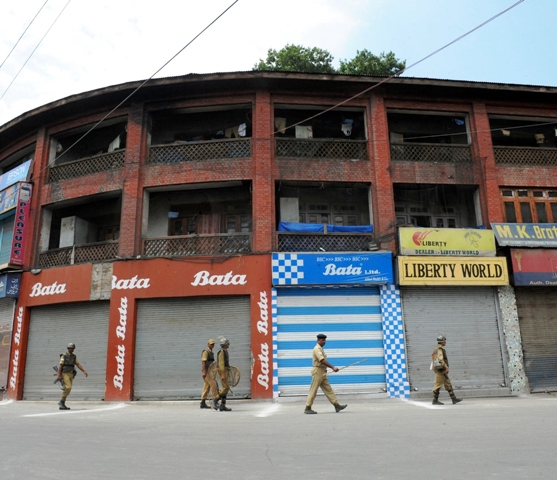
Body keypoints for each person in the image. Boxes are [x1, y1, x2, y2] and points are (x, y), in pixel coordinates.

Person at [304, 334, 347, 414]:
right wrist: (333, 367)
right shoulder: (317, 349)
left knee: (328, 389)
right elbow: (322, 360)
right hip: (318, 372)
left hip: (322, 372)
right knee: (313, 390)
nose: (324, 342)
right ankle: (308, 407)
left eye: (325, 340)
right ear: (319, 340)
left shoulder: (320, 349)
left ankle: (336, 405)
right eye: (323, 340)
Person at [432, 334, 462, 405]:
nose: (445, 342)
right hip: (441, 370)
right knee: (438, 384)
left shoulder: (436, 348)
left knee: (448, 383)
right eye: (444, 341)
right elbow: (441, 359)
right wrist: (446, 367)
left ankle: (454, 399)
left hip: (441, 369)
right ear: (441, 342)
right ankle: (434, 400)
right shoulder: (439, 349)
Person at [56, 342, 88, 410]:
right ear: (68, 348)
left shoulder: (74, 356)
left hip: (71, 374)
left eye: (72, 348)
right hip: (65, 373)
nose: (71, 349)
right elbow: (61, 365)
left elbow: (78, 364)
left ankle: (62, 403)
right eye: (70, 348)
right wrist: (59, 375)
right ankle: (61, 401)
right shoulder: (63, 356)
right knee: (68, 387)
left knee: (69, 389)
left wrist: (84, 371)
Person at [212, 337, 232, 412]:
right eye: (227, 344)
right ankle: (215, 399)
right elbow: (221, 364)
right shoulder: (221, 352)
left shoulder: (225, 351)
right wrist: (222, 374)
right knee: (225, 387)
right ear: (225, 344)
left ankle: (223, 405)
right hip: (223, 371)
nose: (228, 345)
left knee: (226, 388)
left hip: (226, 371)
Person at [200, 339, 218, 409]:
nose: (212, 345)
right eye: (211, 344)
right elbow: (203, 362)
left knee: (206, 387)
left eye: (213, 344)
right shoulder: (206, 352)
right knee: (214, 385)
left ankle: (203, 402)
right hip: (208, 371)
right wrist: (204, 371)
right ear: (208, 344)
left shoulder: (211, 352)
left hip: (211, 371)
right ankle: (215, 401)